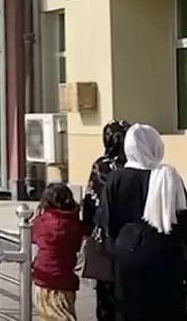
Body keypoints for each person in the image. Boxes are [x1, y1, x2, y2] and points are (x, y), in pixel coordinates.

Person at [96, 123, 187, 321]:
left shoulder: (116, 179)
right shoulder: (170, 177)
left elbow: (107, 223)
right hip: (166, 256)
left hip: (127, 256)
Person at [81, 119, 131, 321]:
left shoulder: (102, 166)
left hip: (107, 237)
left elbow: (90, 201)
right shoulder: (139, 164)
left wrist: (87, 230)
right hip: (134, 238)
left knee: (106, 290)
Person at [31, 183, 84, 320]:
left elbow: (32, 237)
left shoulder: (43, 221)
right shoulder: (74, 221)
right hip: (66, 277)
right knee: (66, 313)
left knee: (49, 316)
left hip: (45, 276)